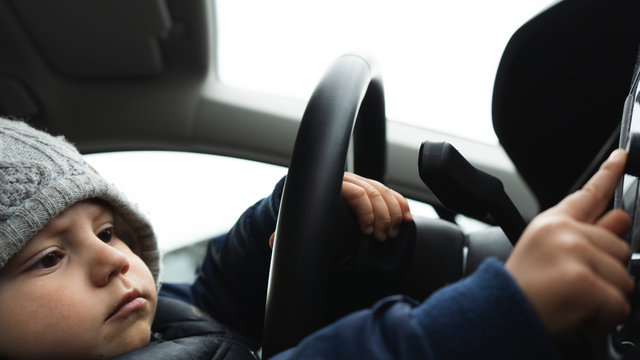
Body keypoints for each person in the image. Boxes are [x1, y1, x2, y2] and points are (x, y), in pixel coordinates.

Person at [0, 117, 633, 359]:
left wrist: (280, 222)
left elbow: (210, 306)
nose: (114, 260)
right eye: (50, 256)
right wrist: (492, 313)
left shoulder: (145, 321)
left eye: (108, 230)